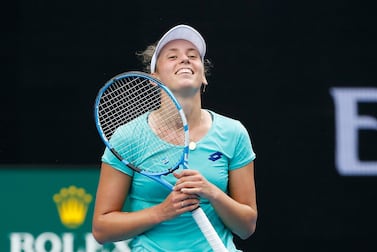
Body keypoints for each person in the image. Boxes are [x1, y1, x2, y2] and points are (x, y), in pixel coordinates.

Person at [92, 24, 257, 252]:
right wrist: (163, 211)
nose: (185, 60)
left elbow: (246, 226)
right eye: (172, 56)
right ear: (154, 78)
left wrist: (212, 193)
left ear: (204, 78)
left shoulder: (233, 133)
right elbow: (102, 229)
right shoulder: (128, 137)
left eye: (192, 56)